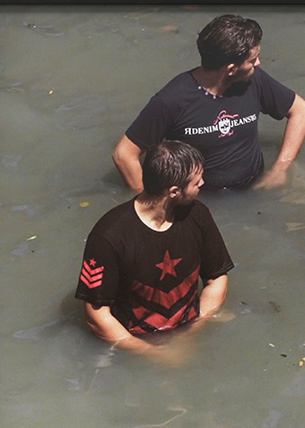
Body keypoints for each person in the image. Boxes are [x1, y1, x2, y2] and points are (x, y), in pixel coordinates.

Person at [113, 14, 305, 192]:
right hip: (201, 198)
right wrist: (151, 206)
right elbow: (124, 155)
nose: (258, 64)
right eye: (253, 60)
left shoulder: (254, 80)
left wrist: (279, 169)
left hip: (256, 188)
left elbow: (301, 111)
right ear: (231, 69)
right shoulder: (173, 99)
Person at [76, 140, 234, 364]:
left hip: (190, 330)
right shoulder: (108, 237)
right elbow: (96, 317)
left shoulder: (198, 216)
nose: (203, 183)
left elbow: (216, 278)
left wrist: (191, 333)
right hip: (132, 347)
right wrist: (154, 353)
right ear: (174, 192)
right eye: (196, 181)